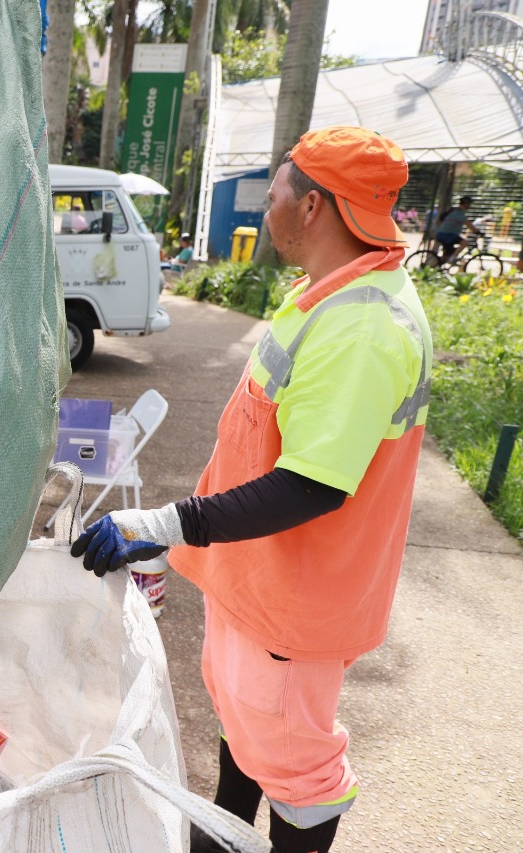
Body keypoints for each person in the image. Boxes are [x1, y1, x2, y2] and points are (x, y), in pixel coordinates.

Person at [72, 127, 432, 853]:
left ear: (313, 207)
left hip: (295, 605)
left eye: (272, 199)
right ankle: (223, 833)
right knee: (246, 730)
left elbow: (307, 487)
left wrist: (162, 524)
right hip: (258, 579)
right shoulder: (329, 295)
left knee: (300, 770)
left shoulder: (362, 329)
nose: (264, 214)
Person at [433, 195, 481, 264]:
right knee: (465, 243)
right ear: (466, 204)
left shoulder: (454, 211)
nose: (470, 206)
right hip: (448, 235)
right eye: (469, 204)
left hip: (444, 234)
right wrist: (478, 232)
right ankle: (453, 258)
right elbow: (469, 225)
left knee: (446, 256)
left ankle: (440, 265)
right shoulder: (459, 213)